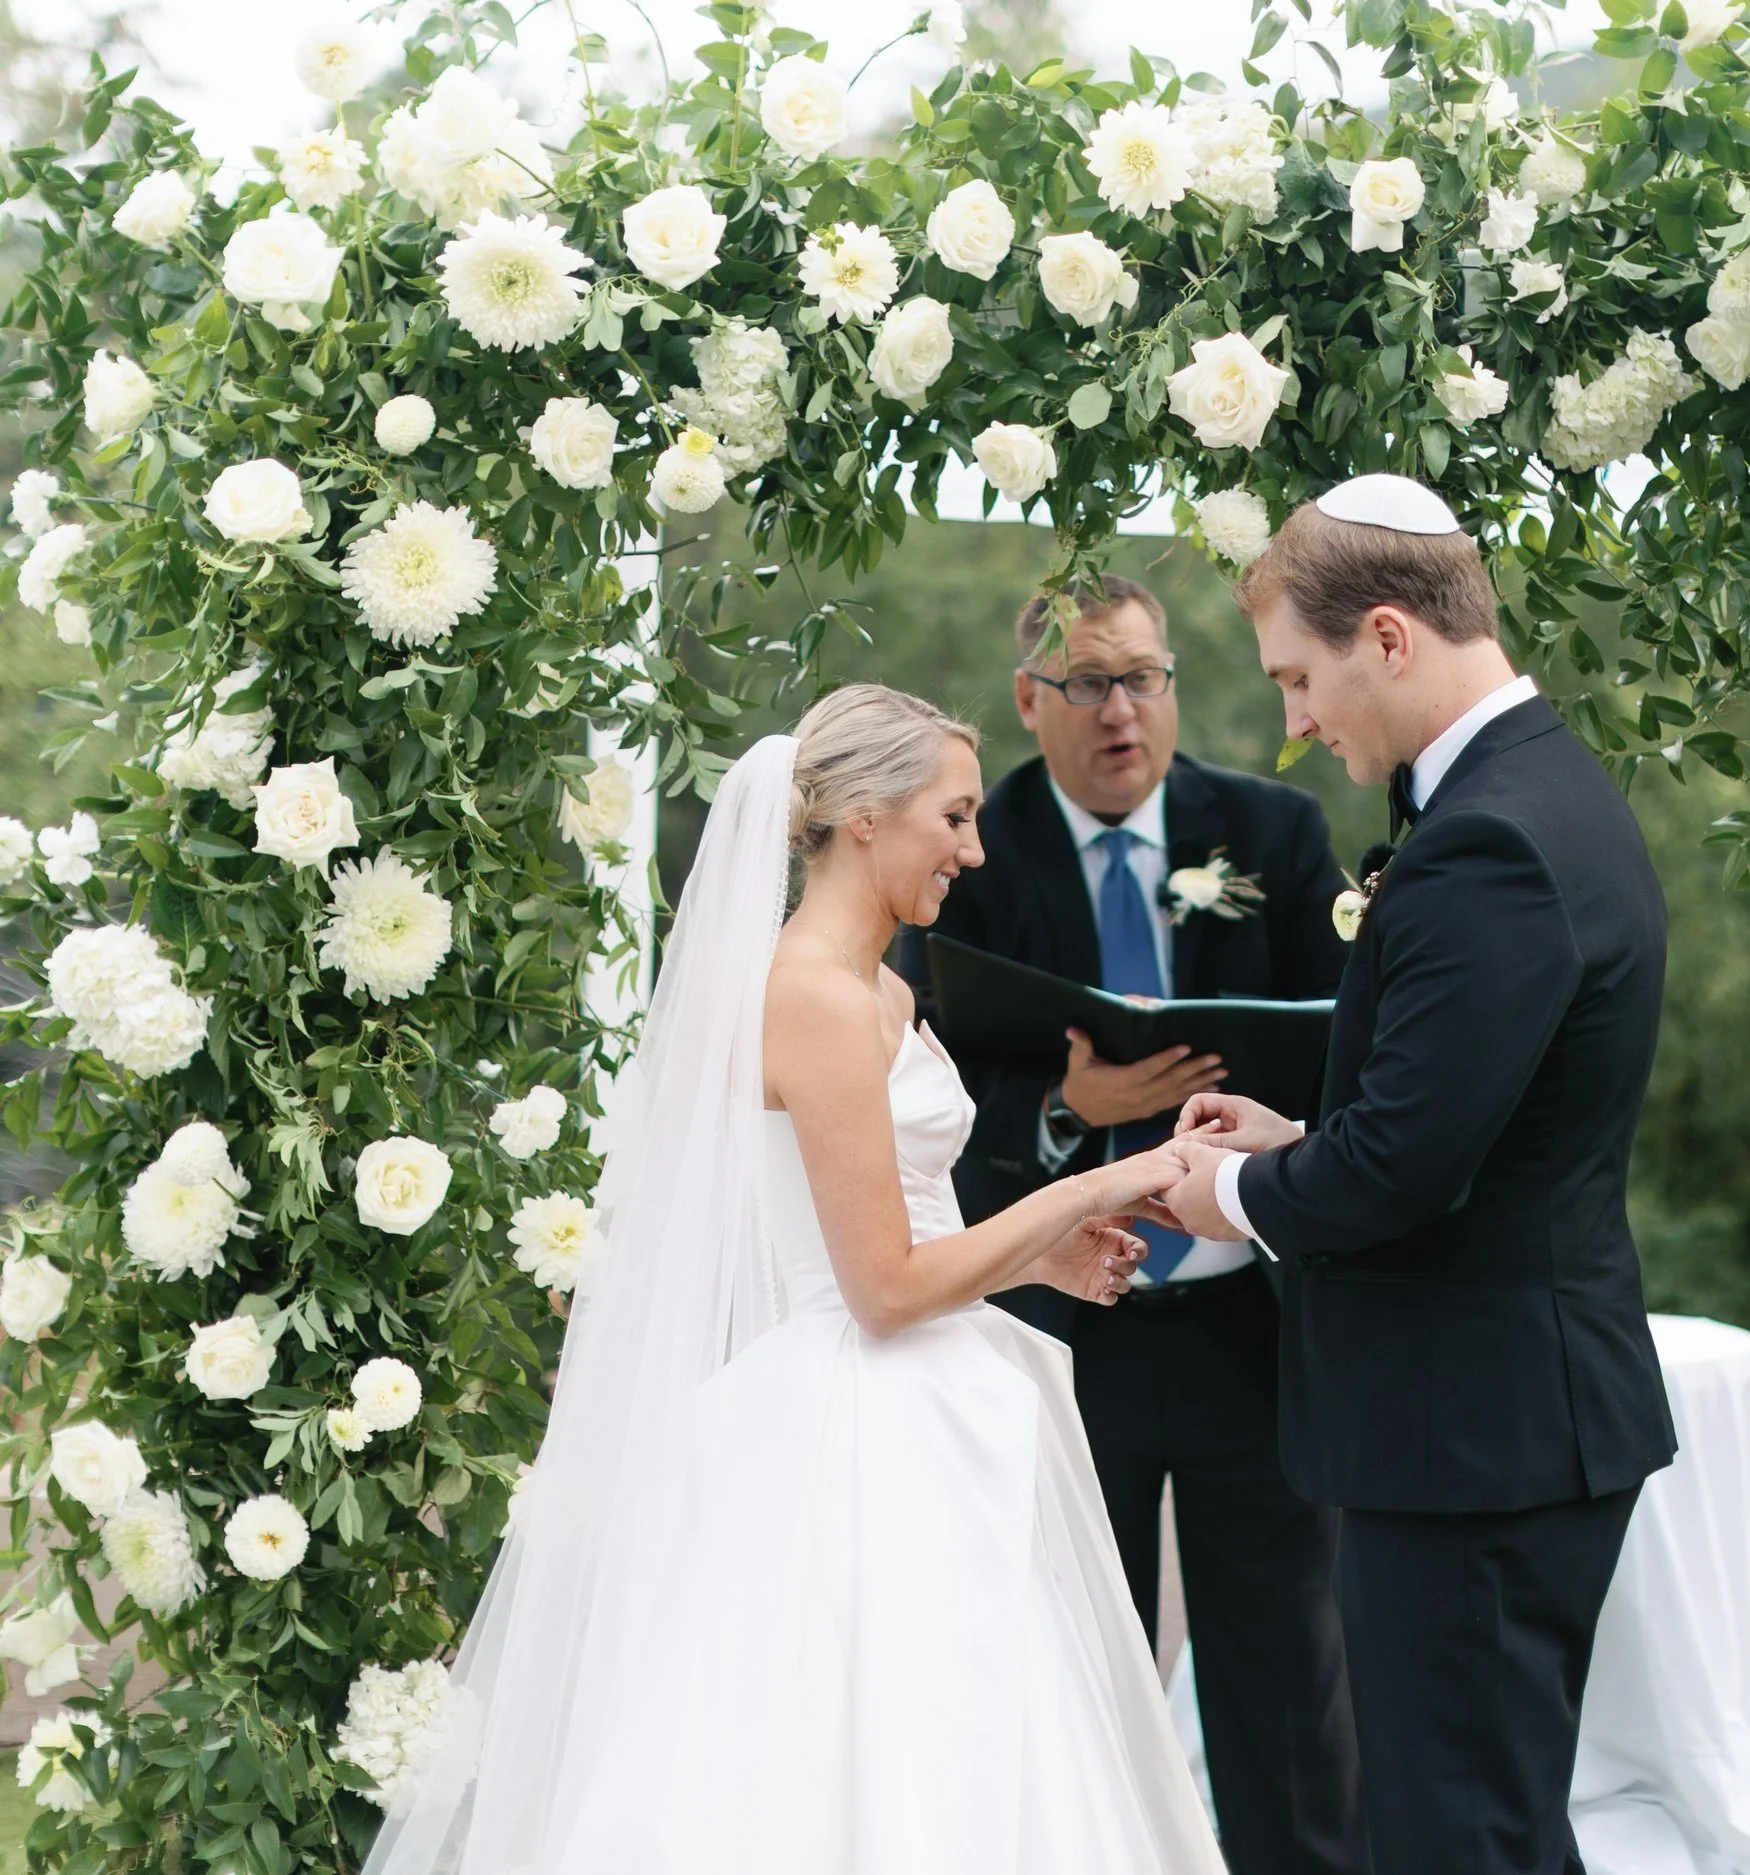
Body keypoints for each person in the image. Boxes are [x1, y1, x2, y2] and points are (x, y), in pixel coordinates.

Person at [363, 687, 1226, 1875]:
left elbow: (892, 1211)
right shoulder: (814, 997)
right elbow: (876, 1286)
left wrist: (1037, 1253)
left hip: (940, 1396)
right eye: (956, 817)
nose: (975, 850)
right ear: (864, 818)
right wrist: (1078, 1194)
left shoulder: (882, 988)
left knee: (977, 1751)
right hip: (858, 1426)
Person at [1158, 478, 1679, 1875]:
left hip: (1473, 1433)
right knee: (1479, 1824)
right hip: (1488, 1416)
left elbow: (1407, 1164)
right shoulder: (1530, 794)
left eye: (1298, 677)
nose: (1295, 720)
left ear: (1386, 636)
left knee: (1457, 1837)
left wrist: (1231, 1196)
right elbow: (1451, 1115)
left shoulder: (1492, 841)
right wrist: (1295, 1140)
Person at [902, 574, 1365, 1875]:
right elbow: (911, 1067)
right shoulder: (965, 849)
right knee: (1061, 1655)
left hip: (1245, 1315)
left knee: (1287, 1671)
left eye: (1145, 677)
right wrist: (1064, 1100)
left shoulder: (1269, 831)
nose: (1122, 712)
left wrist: (1254, 1114)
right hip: (1056, 1322)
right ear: (1029, 701)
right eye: (1090, 683)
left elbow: (1352, 1045)